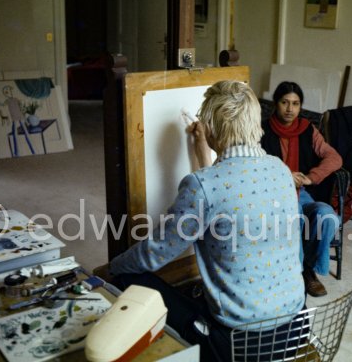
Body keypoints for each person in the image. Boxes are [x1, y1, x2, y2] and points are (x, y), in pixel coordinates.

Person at [110, 80, 305, 361]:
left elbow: (156, 252)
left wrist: (112, 267)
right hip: (296, 325)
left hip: (239, 343)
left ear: (211, 127)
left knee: (129, 274)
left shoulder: (204, 186)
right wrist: (204, 151)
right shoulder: (281, 170)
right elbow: (233, 194)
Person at [261, 81, 342, 297]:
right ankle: (295, 272)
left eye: (295, 104)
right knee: (294, 215)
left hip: (302, 193)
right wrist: (285, 176)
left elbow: (334, 157)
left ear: (300, 106)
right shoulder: (261, 130)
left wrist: (310, 178)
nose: (290, 109)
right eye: (284, 102)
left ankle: (308, 269)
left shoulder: (308, 130)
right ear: (275, 104)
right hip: (272, 195)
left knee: (327, 217)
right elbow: (256, 165)